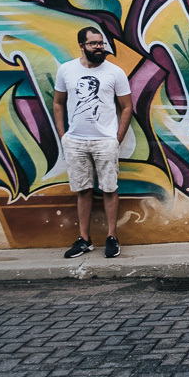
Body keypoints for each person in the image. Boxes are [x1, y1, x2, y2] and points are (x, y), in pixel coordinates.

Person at [53, 26, 132, 259]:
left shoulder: (115, 72)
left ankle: (111, 237)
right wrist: (63, 135)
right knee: (83, 190)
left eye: (101, 43)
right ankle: (85, 240)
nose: (99, 47)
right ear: (82, 45)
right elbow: (58, 103)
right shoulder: (66, 70)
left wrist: (116, 138)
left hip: (105, 141)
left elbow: (127, 107)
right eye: (93, 44)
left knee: (109, 188)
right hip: (75, 141)